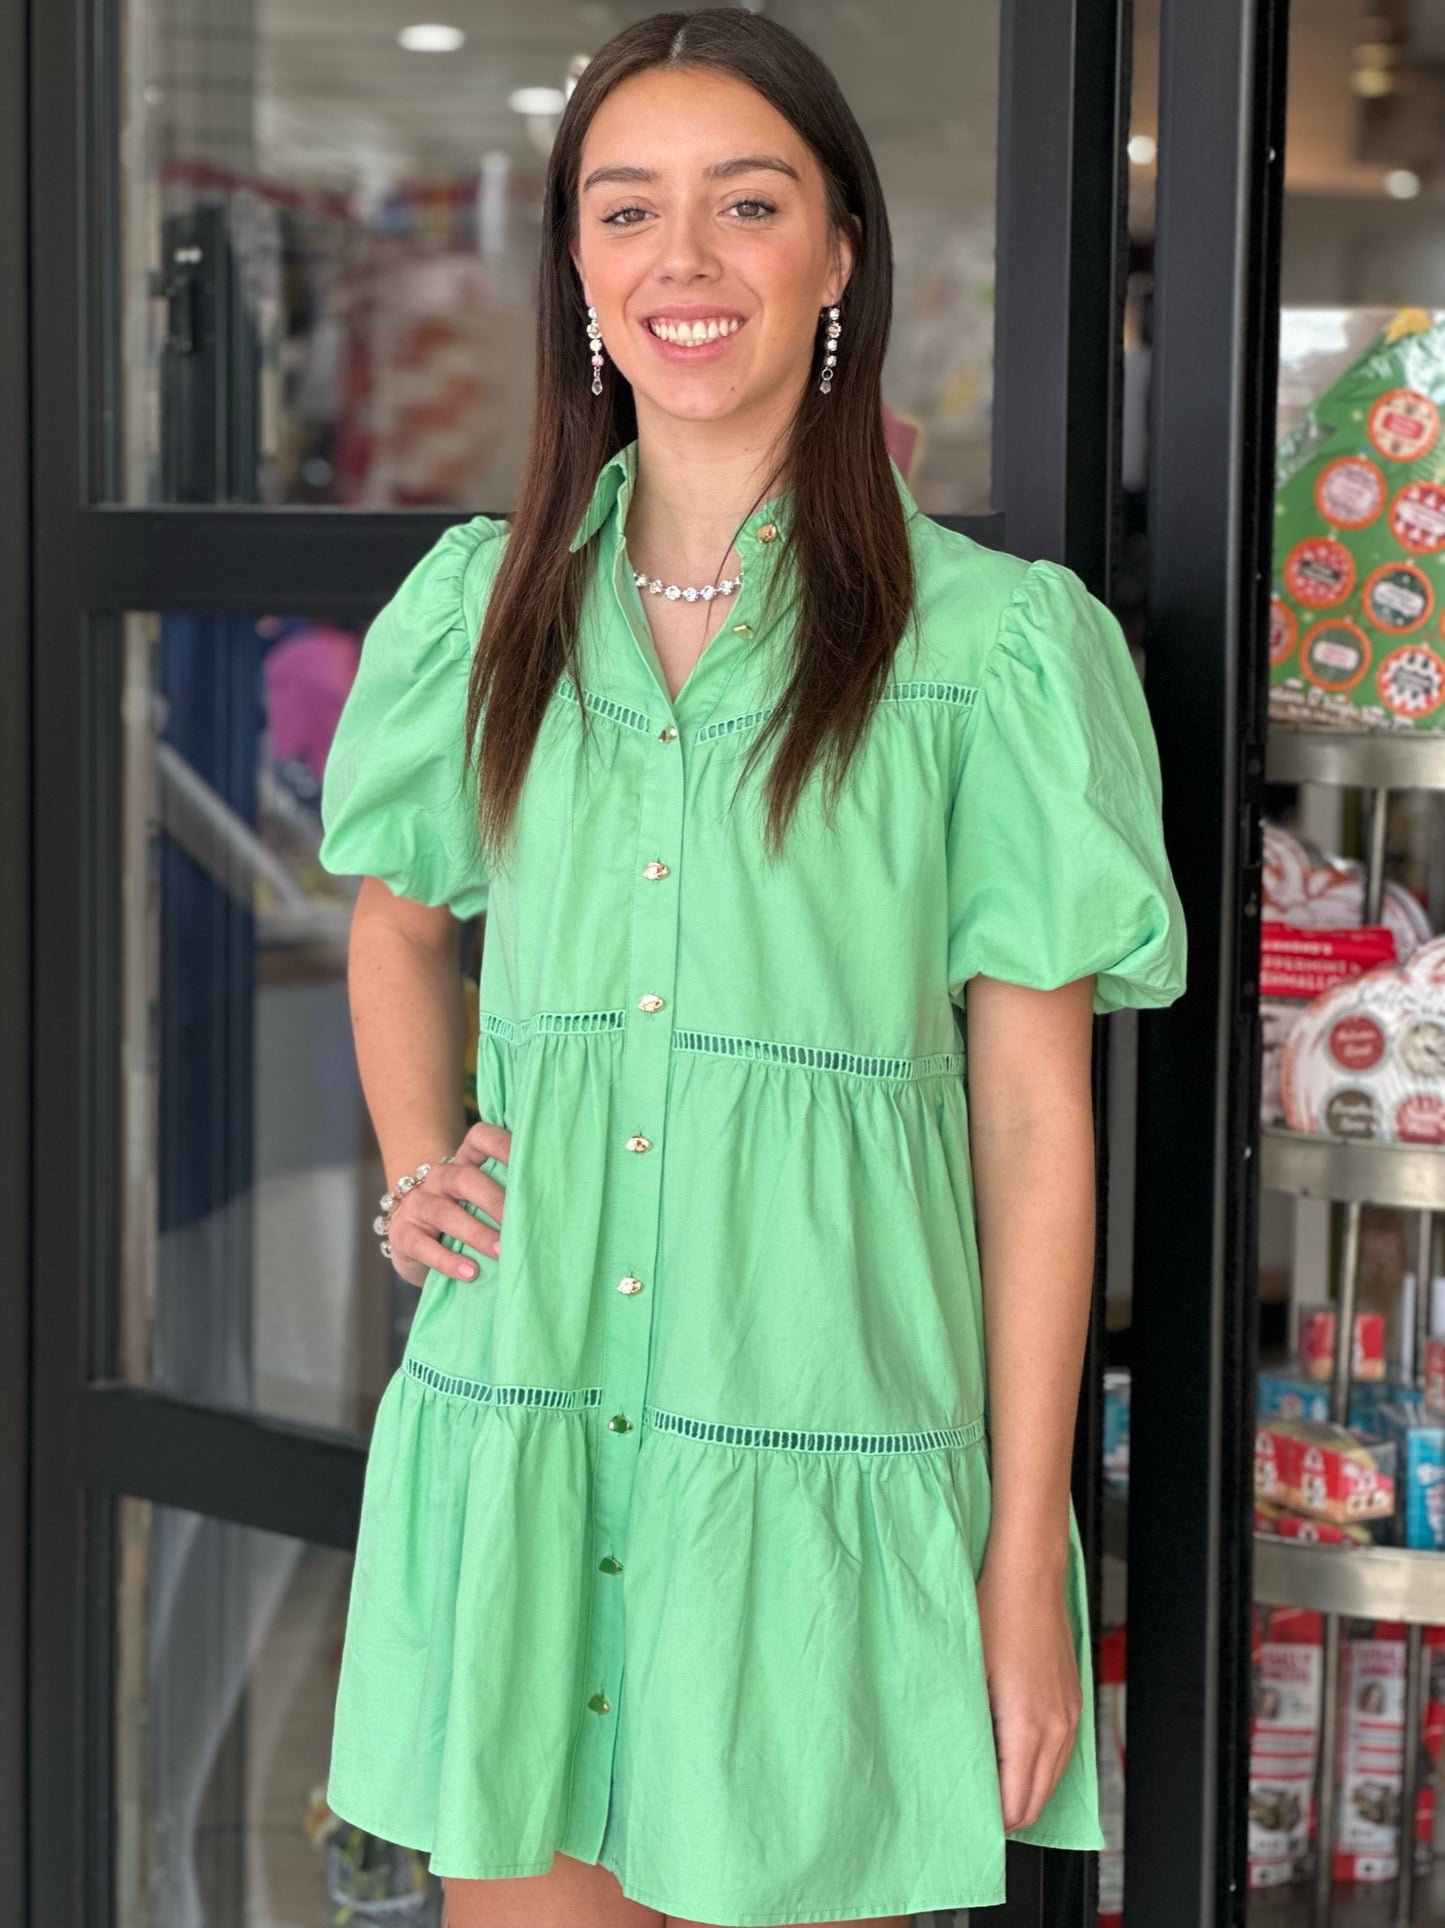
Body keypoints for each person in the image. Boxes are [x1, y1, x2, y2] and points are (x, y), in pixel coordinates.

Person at [316, 11, 1188, 1928]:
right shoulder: (481, 606)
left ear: (840, 252)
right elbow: (394, 919)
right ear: (576, 266)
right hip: (525, 1418)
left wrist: (1022, 1573)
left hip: (824, 1477)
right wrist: (418, 1162)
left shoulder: (992, 651)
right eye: (626, 210)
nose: (681, 262)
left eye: (747, 203)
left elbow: (1039, 1124)